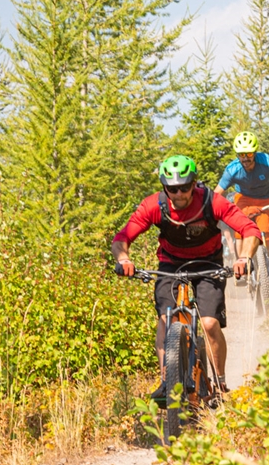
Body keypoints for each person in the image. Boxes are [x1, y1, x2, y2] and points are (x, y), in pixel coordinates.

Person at [111, 155, 261, 396]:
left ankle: (220, 383)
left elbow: (249, 229)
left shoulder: (213, 202)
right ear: (164, 187)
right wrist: (123, 259)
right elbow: (123, 237)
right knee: (165, 320)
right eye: (172, 189)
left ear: (194, 184)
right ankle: (166, 381)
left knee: (210, 324)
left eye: (184, 187)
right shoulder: (154, 205)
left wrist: (244, 257)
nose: (179, 194)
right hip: (170, 264)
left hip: (208, 263)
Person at [214, 131, 269, 291]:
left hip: (266, 200)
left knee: (265, 235)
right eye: (241, 154)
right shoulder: (232, 169)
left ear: (255, 152)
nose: (245, 158)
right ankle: (241, 270)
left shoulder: (266, 161)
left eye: (249, 154)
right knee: (239, 234)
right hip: (243, 199)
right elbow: (217, 193)